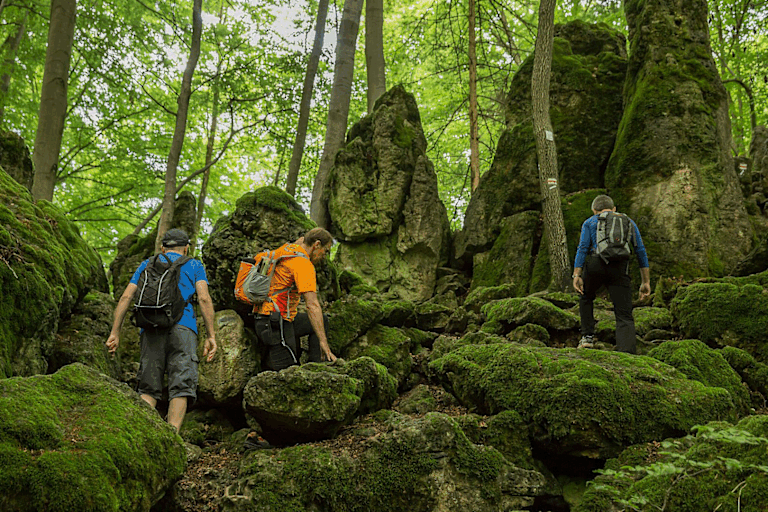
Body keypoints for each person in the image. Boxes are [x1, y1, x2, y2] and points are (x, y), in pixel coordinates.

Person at [106, 228, 217, 432]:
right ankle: (172, 436)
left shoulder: (146, 265)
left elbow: (125, 298)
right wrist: (211, 335)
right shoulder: (194, 264)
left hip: (151, 328)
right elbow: (203, 298)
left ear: (162, 248)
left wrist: (115, 332)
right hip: (184, 328)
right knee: (181, 385)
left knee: (148, 386)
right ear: (186, 248)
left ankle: (142, 437)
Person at [572, 195, 651, 354]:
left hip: (596, 264)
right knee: (624, 313)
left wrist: (577, 275)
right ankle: (627, 350)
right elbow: (640, 251)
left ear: (594, 210)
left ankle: (587, 338)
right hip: (619, 267)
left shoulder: (590, 222)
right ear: (614, 209)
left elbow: (582, 248)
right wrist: (645, 282)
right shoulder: (628, 221)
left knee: (586, 297)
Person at [254, 227, 337, 371]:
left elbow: (302, 241)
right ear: (317, 244)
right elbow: (312, 305)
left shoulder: (287, 249)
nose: (325, 256)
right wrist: (324, 343)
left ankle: (317, 368)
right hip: (274, 323)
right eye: (326, 250)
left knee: (321, 320)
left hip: (269, 318)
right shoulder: (303, 264)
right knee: (288, 372)